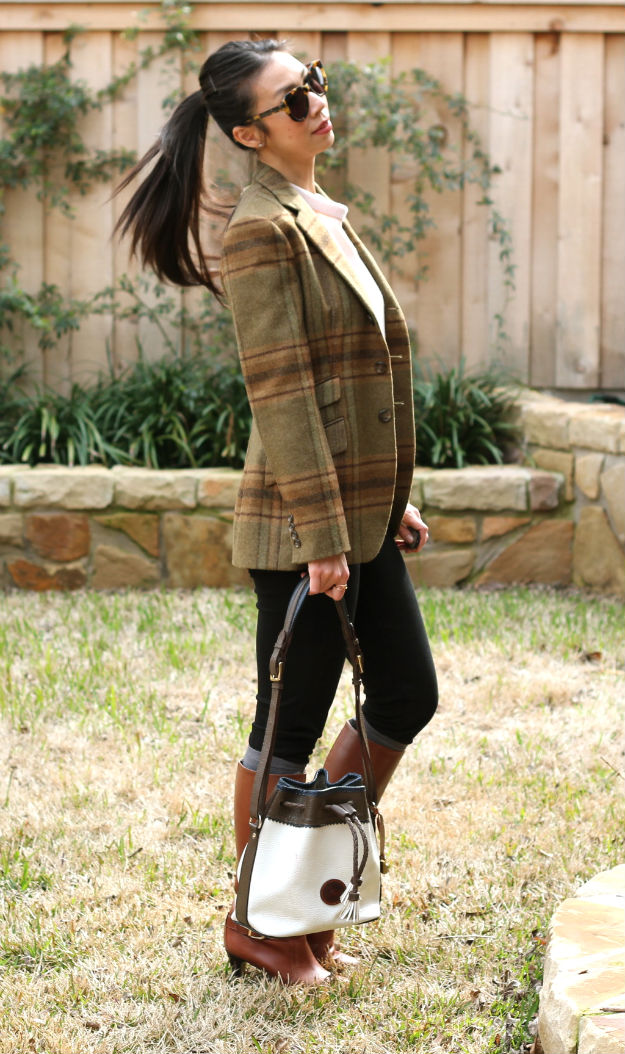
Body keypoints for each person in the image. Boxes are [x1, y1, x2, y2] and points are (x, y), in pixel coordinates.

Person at [116, 38, 438, 985]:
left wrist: (392, 496)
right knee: (288, 725)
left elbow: (356, 379)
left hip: (352, 513)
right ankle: (258, 921)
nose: (316, 103)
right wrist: (323, 541)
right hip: (307, 529)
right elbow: (285, 396)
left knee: (405, 696)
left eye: (314, 84)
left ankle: (302, 896)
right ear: (250, 134)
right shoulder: (262, 229)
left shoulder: (316, 213)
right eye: (293, 99)